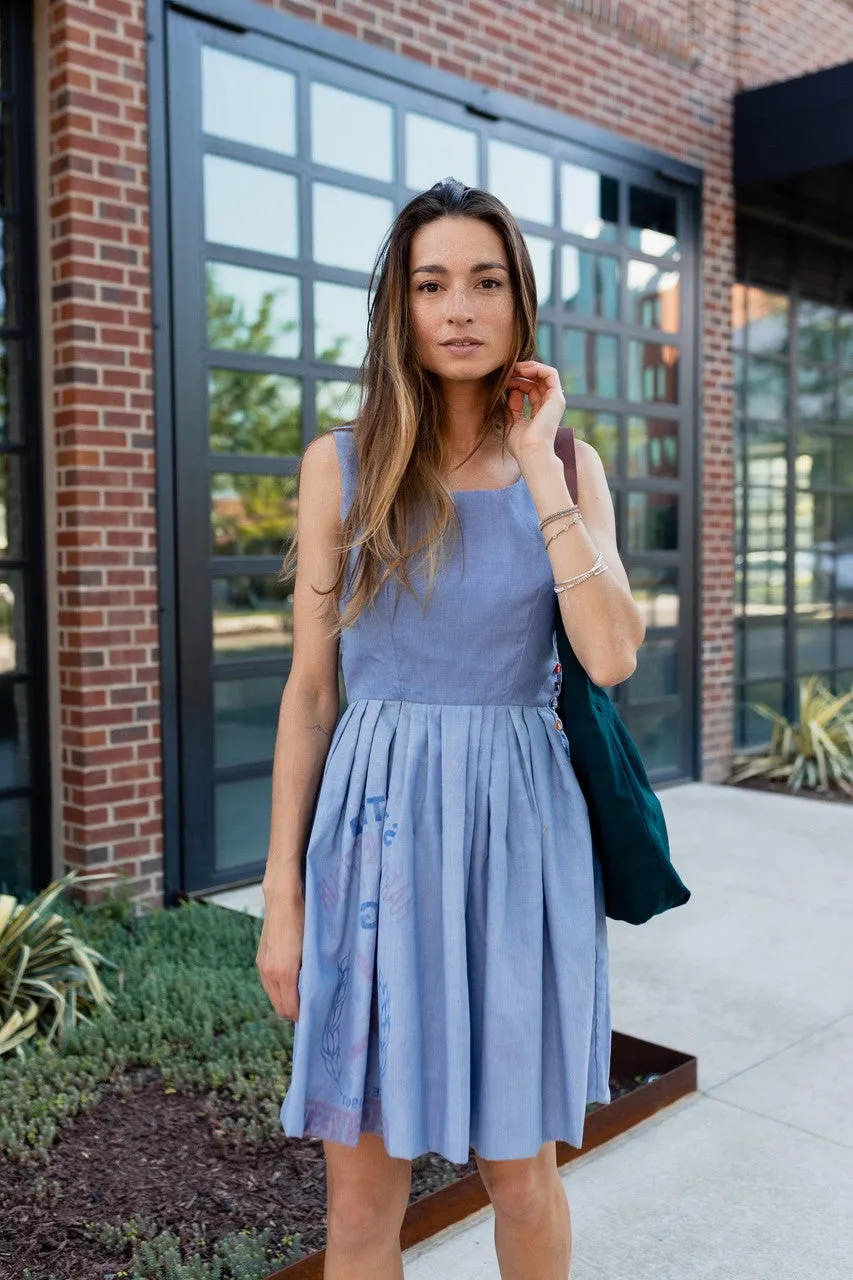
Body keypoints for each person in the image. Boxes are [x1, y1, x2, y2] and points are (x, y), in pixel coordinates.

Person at [257, 177, 646, 1280]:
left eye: (484, 281)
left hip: (521, 840)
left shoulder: (567, 467)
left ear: (519, 303)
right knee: (359, 1197)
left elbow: (612, 655)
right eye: (432, 283)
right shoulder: (340, 466)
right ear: (401, 307)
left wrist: (537, 461)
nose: (459, 307)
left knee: (521, 1174)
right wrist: (282, 890)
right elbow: (310, 690)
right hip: (374, 839)